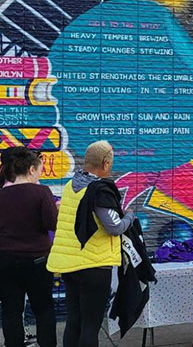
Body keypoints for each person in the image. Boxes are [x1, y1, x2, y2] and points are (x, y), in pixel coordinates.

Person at [47, 140, 135, 347]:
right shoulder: (100, 190)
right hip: (94, 266)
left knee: (74, 320)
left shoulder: (70, 186)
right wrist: (130, 217)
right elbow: (114, 227)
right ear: (105, 163)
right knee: (91, 325)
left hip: (69, 265)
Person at [0, 148, 58, 347]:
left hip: (6, 259)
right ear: (32, 169)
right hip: (38, 260)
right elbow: (52, 223)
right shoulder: (42, 192)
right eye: (40, 169)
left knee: (11, 310)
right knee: (44, 309)